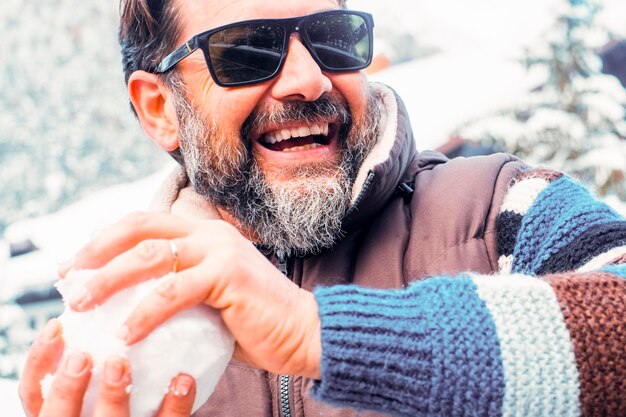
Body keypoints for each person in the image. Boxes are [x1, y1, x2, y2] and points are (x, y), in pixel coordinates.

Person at [19, 0, 626, 416]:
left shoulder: (503, 209)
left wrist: (316, 332)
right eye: (246, 51)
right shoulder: (120, 332)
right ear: (159, 109)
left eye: (333, 39)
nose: (308, 79)